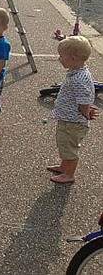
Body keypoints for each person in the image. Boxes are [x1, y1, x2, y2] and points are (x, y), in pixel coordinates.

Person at [47, 36, 96, 184]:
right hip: (67, 118)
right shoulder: (77, 71)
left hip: (73, 122)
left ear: (74, 58)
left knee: (69, 148)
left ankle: (69, 174)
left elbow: (84, 100)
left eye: (62, 56)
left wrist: (85, 113)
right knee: (64, 144)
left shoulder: (78, 79)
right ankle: (64, 166)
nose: (59, 59)